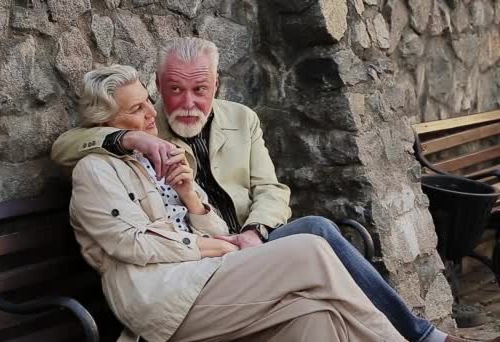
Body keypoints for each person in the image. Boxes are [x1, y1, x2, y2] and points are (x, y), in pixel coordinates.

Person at [53, 38, 497, 342]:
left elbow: (271, 189)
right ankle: (413, 337)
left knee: (318, 310)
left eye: (199, 90)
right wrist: (132, 138)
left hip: (242, 245)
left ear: (217, 86)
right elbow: (72, 147)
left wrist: (248, 228)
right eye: (169, 92)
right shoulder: (136, 148)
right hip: (197, 270)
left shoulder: (240, 120)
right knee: (312, 248)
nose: (179, 104)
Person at [69, 64, 404, 342]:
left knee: (316, 315)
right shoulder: (95, 170)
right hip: (162, 298)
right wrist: (214, 247)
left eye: (147, 101)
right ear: (105, 124)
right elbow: (134, 244)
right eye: (135, 109)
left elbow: (221, 229)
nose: (150, 114)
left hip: (207, 280)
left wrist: (189, 196)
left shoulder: (160, 154)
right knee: (311, 249)